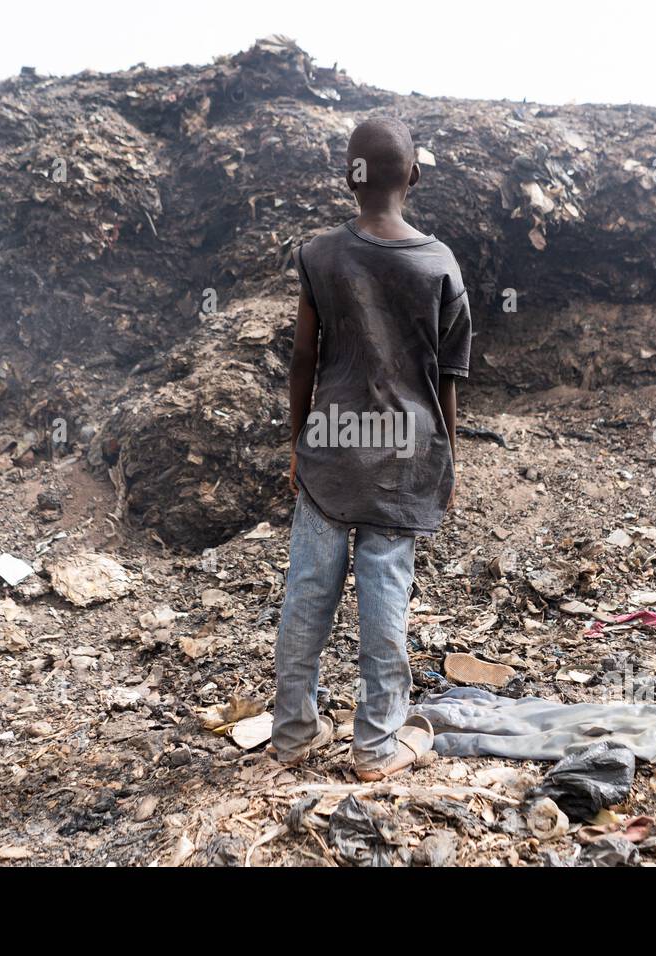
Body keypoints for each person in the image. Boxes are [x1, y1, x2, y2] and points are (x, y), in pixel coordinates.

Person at [271, 117, 472, 781]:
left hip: (330, 450)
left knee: (307, 595)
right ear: (414, 177)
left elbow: (304, 358)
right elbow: (446, 378)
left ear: (348, 178)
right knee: (386, 596)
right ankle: (376, 745)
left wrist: (299, 438)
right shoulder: (438, 264)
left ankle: (295, 731)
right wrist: (448, 459)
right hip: (404, 459)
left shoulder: (319, 255)